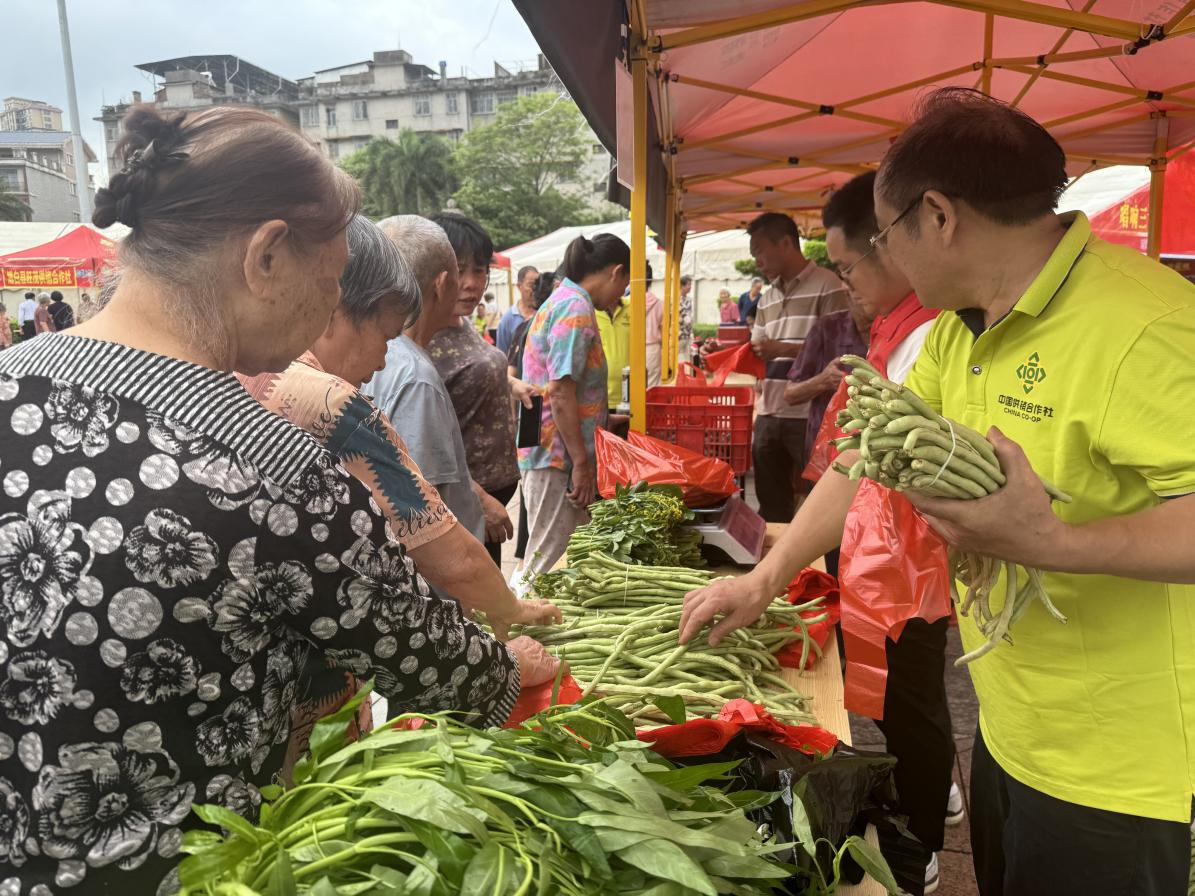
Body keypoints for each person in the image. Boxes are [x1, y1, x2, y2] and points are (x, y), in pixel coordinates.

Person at [0, 103, 552, 896]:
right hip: (182, 871)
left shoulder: (12, 382)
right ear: (265, 256)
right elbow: (438, 667)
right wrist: (511, 663)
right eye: (329, 284)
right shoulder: (272, 470)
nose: (325, 314)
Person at [879, 88, 1195, 896]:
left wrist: (1048, 542)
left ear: (938, 215)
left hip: (1120, 768)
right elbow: (867, 451)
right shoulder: (963, 327)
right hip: (1012, 726)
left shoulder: (1147, 324)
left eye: (886, 236)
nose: (889, 262)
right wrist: (765, 577)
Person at [239, 214, 558, 638]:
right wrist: (511, 609)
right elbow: (445, 550)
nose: (385, 360)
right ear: (334, 307)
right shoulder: (333, 404)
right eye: (387, 336)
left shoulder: (245, 374)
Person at [426, 211, 533, 566]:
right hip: (462, 506)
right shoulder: (418, 344)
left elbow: (468, 371)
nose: (472, 283)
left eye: (480, 270)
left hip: (491, 500)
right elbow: (420, 447)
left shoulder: (459, 322)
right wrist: (479, 499)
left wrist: (510, 383)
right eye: (460, 269)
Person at [519, 233, 629, 575]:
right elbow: (562, 391)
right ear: (616, 272)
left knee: (558, 554)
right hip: (557, 455)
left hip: (547, 447)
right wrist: (581, 462)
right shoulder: (575, 308)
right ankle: (516, 623)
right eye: (624, 286)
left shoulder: (562, 299)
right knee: (548, 560)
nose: (619, 297)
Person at [747, 212, 849, 521]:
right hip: (769, 409)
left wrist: (782, 349)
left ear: (786, 243)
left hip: (809, 415)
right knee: (771, 502)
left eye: (760, 251)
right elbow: (758, 347)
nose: (757, 261)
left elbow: (841, 351)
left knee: (820, 501)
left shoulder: (829, 286)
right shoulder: (766, 298)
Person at [497, 265, 539, 353]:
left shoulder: (543, 313)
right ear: (519, 286)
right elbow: (502, 354)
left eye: (538, 285)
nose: (535, 289)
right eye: (531, 285)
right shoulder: (507, 319)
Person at [644, 261, 664, 387]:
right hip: (652, 347)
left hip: (632, 346)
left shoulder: (628, 302)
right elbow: (662, 326)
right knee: (652, 383)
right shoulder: (658, 303)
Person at [678, 274, 694, 365]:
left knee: (688, 357)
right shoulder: (676, 299)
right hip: (679, 334)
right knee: (680, 356)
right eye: (688, 284)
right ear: (682, 286)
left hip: (687, 333)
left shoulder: (688, 299)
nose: (690, 287)